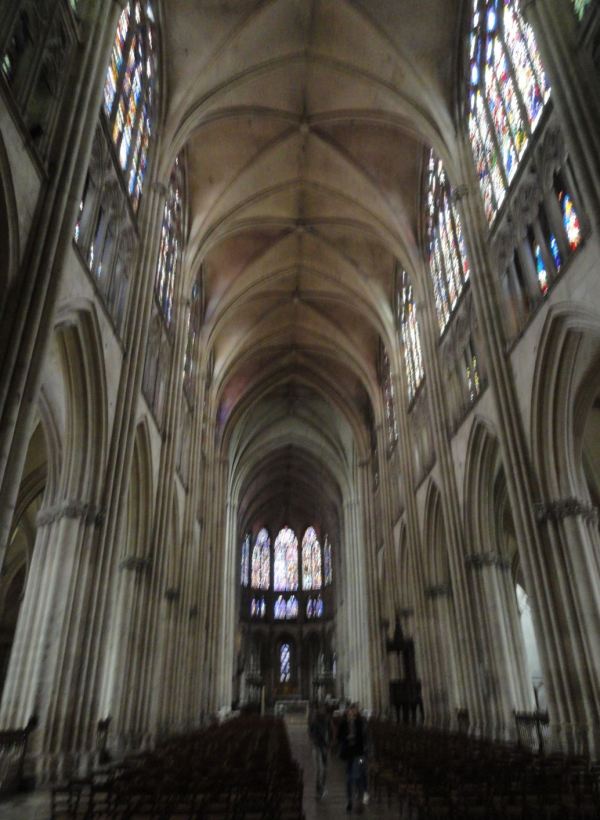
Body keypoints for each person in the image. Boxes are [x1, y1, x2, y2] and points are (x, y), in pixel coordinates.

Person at [337, 702, 366, 813]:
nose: (352, 713)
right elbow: (339, 737)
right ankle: (350, 800)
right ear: (348, 712)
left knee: (358, 776)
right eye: (350, 712)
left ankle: (359, 800)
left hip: (359, 754)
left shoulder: (360, 723)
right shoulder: (343, 723)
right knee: (350, 778)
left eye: (354, 711)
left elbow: (364, 737)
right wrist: (346, 737)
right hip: (348, 753)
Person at [308, 702, 331, 799]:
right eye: (321, 709)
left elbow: (330, 731)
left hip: (324, 746)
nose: (322, 711)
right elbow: (311, 732)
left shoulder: (326, 720)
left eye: (323, 709)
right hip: (318, 746)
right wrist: (314, 740)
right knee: (319, 768)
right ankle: (319, 788)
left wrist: (330, 741)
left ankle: (322, 785)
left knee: (324, 768)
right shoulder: (315, 720)